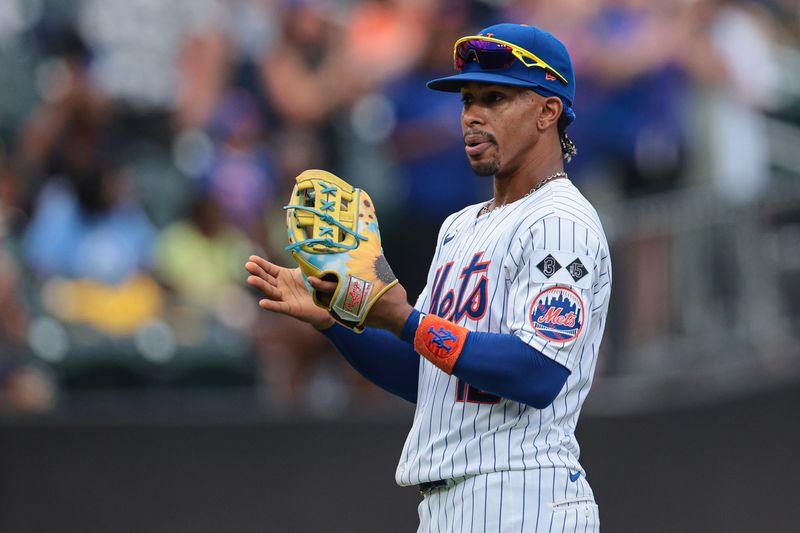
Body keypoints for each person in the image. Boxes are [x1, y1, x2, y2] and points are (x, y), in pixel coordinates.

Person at [246, 23, 610, 532]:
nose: (473, 116)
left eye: (495, 98)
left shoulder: (560, 222)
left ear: (549, 111)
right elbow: (431, 378)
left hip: (523, 498)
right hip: (450, 507)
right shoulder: (458, 228)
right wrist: (334, 322)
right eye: (467, 100)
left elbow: (538, 372)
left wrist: (406, 320)